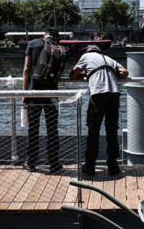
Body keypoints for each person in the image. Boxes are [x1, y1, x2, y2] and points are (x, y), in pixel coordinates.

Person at [70, 45, 128, 176]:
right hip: (114, 95)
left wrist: (87, 73)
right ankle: (113, 165)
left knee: (93, 131)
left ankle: (90, 166)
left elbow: (73, 74)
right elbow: (125, 72)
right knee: (112, 130)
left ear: (87, 51)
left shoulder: (85, 56)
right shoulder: (108, 58)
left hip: (98, 95)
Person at [22, 28, 64, 173]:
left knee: (33, 128)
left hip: (34, 93)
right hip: (52, 94)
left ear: (43, 35)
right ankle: (54, 163)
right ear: (56, 37)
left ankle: (31, 163)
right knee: (52, 129)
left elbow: (27, 69)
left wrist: (25, 92)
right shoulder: (58, 47)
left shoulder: (33, 44)